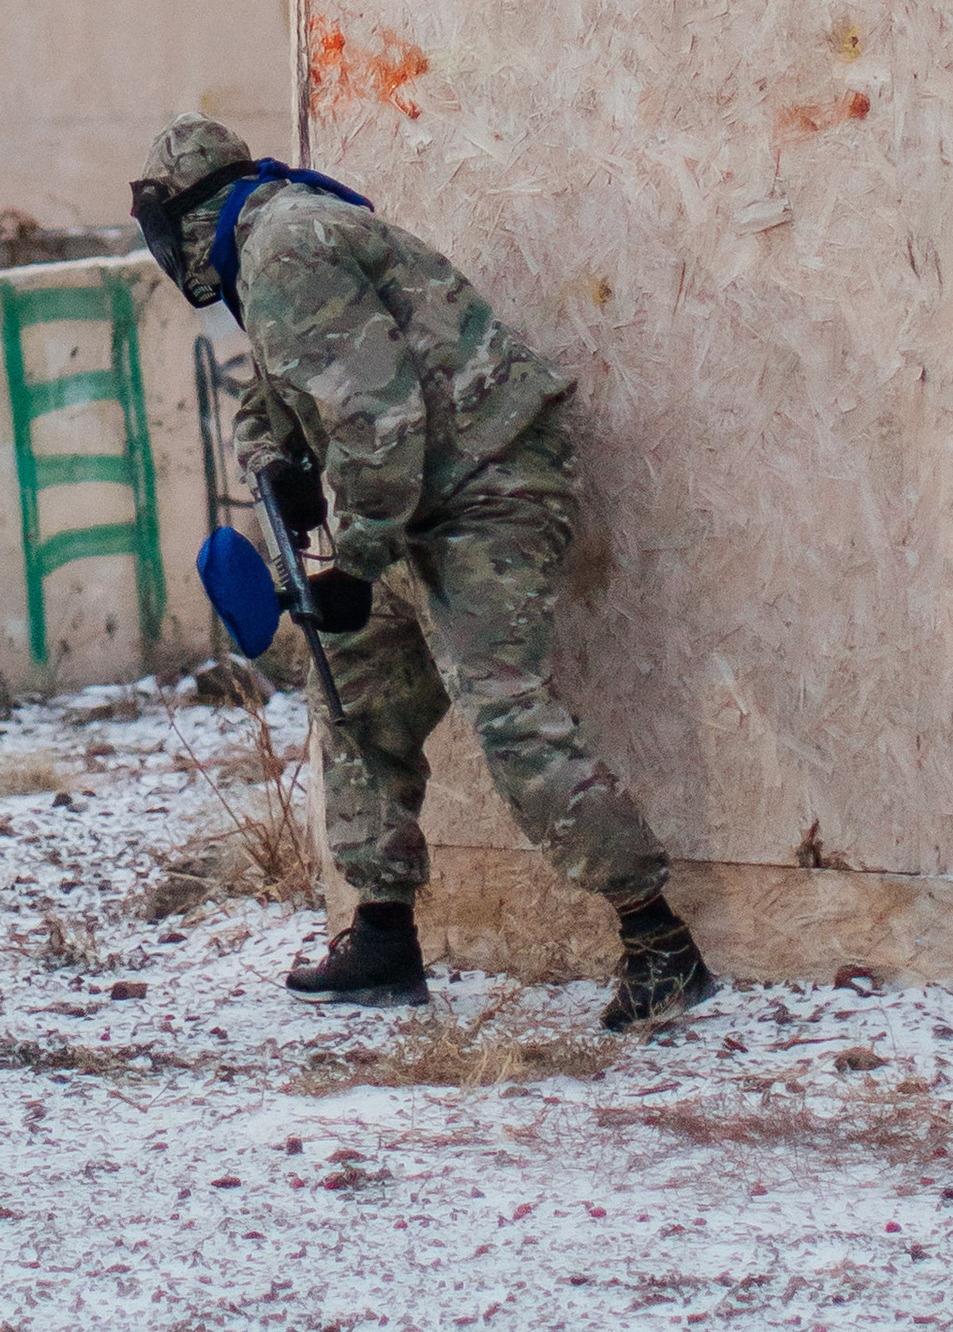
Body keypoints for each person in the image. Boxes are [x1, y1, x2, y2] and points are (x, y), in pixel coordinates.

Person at [135, 115, 714, 1030]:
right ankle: (382, 937)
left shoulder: (285, 247)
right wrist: (272, 463)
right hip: (424, 499)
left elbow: (377, 425)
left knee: (503, 710)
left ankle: (660, 942)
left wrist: (356, 563)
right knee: (357, 692)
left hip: (488, 488)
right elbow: (284, 393)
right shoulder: (280, 235)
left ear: (190, 211)